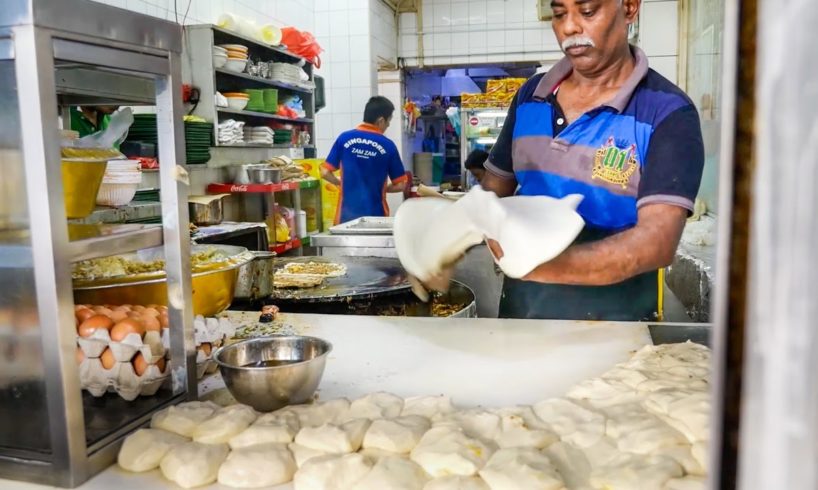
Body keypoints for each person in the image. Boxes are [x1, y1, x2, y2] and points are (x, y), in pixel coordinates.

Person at [421, 0, 705, 321]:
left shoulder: (667, 112)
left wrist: (539, 266)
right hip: (520, 319)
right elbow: (492, 191)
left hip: (618, 326)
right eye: (558, 14)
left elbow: (658, 241)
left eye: (587, 11)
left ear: (629, 7)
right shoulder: (530, 96)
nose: (569, 27)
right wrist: (448, 239)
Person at [321, 96, 409, 224]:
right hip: (376, 218)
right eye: (388, 121)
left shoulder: (344, 138)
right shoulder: (388, 145)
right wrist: (380, 189)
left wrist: (342, 183)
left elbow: (324, 172)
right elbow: (401, 184)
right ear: (381, 120)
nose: (388, 125)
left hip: (345, 219)